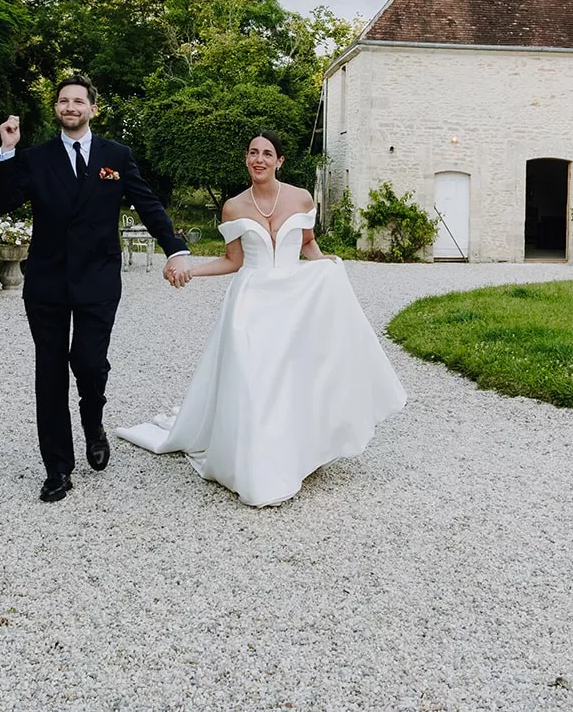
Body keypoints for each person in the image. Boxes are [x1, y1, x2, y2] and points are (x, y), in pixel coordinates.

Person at [116, 132, 406, 507]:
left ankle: (295, 448)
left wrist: (327, 266)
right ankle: (255, 461)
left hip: (293, 302)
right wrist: (192, 270)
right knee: (254, 378)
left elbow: (308, 246)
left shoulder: (301, 197)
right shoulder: (234, 207)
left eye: (267, 154)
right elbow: (233, 261)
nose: (259, 159)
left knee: (291, 377)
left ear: (279, 161)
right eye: (253, 153)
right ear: (246, 159)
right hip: (250, 302)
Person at [0, 75, 191, 503]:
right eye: (63, 101)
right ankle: (57, 468)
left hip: (98, 278)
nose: (70, 107)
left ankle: (93, 425)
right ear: (56, 109)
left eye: (78, 101)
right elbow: (3, 202)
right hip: (46, 280)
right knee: (49, 372)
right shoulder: (36, 157)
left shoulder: (116, 155)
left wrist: (175, 248)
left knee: (90, 363)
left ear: (92, 109)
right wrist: (7, 150)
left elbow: (147, 203)